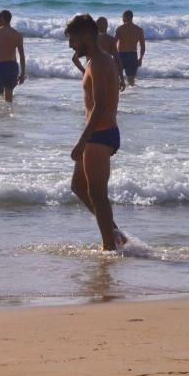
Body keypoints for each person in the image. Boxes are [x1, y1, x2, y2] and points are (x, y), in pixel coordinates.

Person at [65, 14, 127, 251]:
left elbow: (100, 106)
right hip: (96, 133)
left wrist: (82, 140)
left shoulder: (100, 61)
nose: (71, 45)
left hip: (100, 134)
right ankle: (115, 235)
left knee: (97, 193)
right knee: (79, 186)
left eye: (73, 40)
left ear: (85, 37)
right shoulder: (93, 61)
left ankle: (109, 246)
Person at [73, 16, 125, 91]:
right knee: (107, 99)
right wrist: (122, 79)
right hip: (106, 73)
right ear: (106, 26)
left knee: (90, 100)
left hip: (91, 72)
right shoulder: (110, 40)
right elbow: (117, 59)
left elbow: (74, 59)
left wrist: (84, 71)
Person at [114, 10, 146, 86]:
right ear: (132, 17)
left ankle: (119, 96)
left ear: (124, 17)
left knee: (117, 79)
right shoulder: (139, 30)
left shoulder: (120, 29)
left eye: (122, 17)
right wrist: (140, 58)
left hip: (121, 56)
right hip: (133, 56)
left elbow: (113, 44)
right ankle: (132, 97)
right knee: (131, 82)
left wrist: (114, 56)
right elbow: (143, 46)